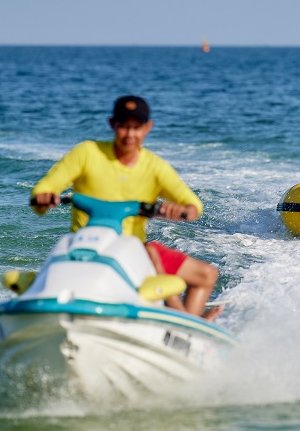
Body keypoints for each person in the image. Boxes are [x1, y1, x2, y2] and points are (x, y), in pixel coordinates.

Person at [31, 95, 222, 320]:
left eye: (136, 127)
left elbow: (193, 205)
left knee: (207, 274)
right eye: (124, 127)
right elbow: (43, 190)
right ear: (112, 125)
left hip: (134, 250)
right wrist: (44, 198)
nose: (130, 135)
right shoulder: (87, 153)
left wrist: (181, 211)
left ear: (147, 128)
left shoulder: (154, 167)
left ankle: (186, 327)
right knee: (151, 253)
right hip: (86, 245)